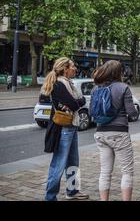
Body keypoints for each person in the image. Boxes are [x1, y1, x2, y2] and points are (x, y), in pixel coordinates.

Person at [42, 57, 89, 201]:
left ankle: (72, 191)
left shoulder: (69, 84)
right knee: (59, 163)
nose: (75, 68)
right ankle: (50, 197)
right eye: (73, 66)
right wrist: (79, 101)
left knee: (73, 161)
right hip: (63, 128)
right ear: (65, 69)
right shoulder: (59, 85)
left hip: (71, 126)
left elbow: (77, 102)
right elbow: (75, 104)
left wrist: (78, 101)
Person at [91, 60, 137, 201]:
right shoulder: (123, 87)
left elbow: (91, 112)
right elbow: (132, 113)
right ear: (118, 72)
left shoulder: (95, 88)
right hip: (119, 133)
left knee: (105, 172)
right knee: (127, 171)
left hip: (100, 133)